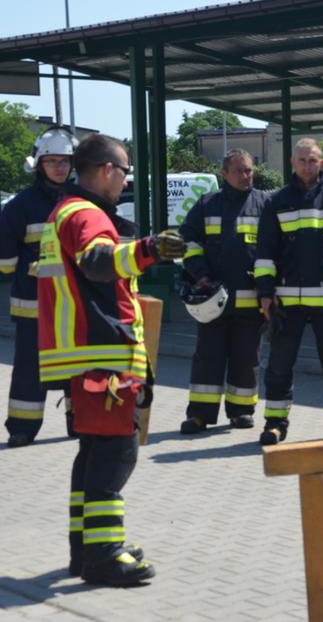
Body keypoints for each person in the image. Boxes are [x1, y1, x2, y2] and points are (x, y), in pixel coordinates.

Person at [36, 134, 185, 585]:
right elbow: (98, 262)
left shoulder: (63, 210)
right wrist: (149, 249)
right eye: (124, 172)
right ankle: (103, 555)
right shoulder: (85, 214)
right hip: (101, 352)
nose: (124, 182)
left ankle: (86, 551)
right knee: (116, 453)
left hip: (85, 352)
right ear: (105, 169)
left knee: (93, 454)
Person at [254, 138, 323, 445]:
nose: (307, 165)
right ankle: (275, 423)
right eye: (302, 160)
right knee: (279, 365)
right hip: (285, 302)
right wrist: (265, 292)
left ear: (322, 164)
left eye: (313, 160)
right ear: (292, 162)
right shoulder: (275, 202)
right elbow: (264, 251)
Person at [178, 149, 271, 434]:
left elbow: (275, 247)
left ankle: (242, 412)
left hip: (250, 301)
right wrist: (201, 275)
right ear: (225, 173)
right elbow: (188, 241)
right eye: (240, 171)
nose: (246, 176)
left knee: (246, 359)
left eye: (249, 170)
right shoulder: (207, 204)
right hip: (212, 300)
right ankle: (199, 415)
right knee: (208, 357)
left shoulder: (264, 204)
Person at [1, 127, 75, 447]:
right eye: (52, 161)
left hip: (74, 303)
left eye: (65, 161)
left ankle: (82, 422)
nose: (59, 167)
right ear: (39, 165)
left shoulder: (81, 200)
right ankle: (22, 428)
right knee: (30, 368)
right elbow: (4, 262)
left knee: (78, 365)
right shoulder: (19, 206)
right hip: (34, 304)